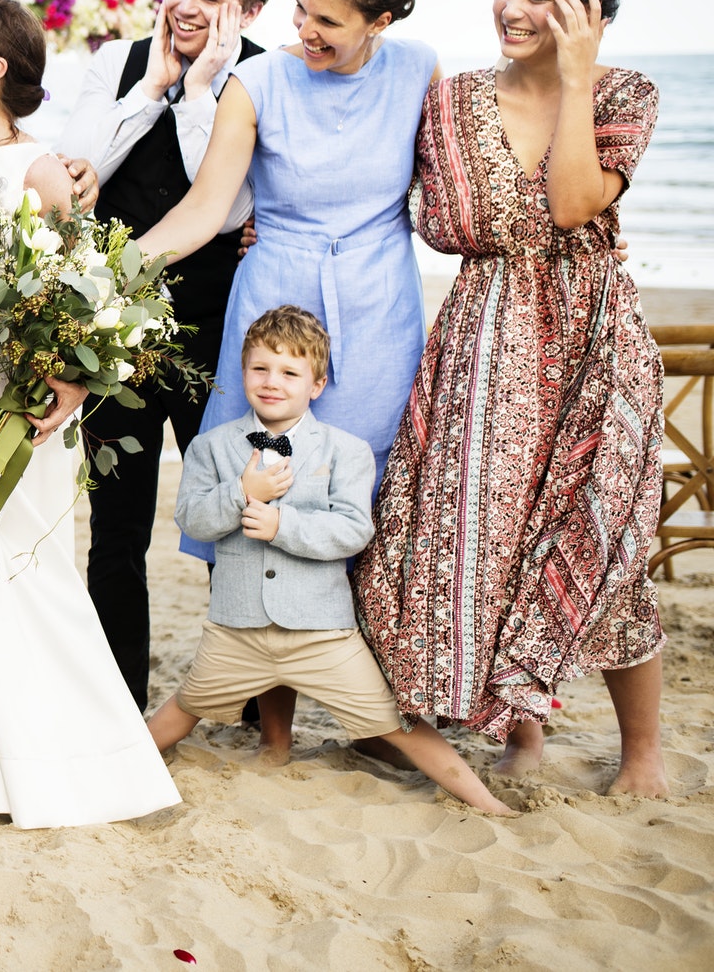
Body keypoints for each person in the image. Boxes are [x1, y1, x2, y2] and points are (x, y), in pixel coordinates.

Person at [355, 0, 668, 796]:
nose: (514, 9)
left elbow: (573, 203)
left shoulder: (624, 94)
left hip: (593, 340)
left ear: (587, 10)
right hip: (487, 337)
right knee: (494, 538)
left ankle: (642, 754)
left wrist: (573, 82)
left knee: (605, 541)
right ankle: (519, 730)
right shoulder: (453, 101)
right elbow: (445, 225)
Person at [136, 0, 442, 759]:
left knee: (361, 501)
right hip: (275, 298)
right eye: (301, 11)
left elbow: (457, 191)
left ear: (380, 22)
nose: (304, 31)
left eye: (328, 22)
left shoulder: (419, 71)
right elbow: (205, 210)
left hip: (377, 307)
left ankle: (369, 712)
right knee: (260, 486)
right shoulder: (257, 80)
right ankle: (272, 723)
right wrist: (106, 275)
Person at [0, 0, 178, 826]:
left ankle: (80, 756)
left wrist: (67, 377)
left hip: (24, 413)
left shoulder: (39, 170)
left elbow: (90, 293)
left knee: (26, 575)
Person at [149, 307, 516, 817]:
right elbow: (191, 518)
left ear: (316, 385)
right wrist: (241, 493)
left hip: (322, 634)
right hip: (234, 631)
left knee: (394, 723)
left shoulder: (346, 450)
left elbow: (353, 529)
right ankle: (112, 775)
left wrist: (283, 526)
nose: (272, 382)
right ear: (243, 371)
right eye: (260, 369)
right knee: (180, 711)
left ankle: (486, 803)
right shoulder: (210, 446)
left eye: (289, 373)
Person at [57, 0, 279, 707]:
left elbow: (220, 208)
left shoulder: (262, 78)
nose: (185, 6)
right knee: (116, 527)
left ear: (246, 12)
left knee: (226, 515)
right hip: (112, 329)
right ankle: (119, 698)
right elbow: (74, 177)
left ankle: (247, 695)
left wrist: (197, 94)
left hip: (214, 329)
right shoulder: (115, 63)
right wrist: (151, 88)